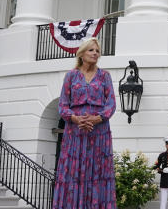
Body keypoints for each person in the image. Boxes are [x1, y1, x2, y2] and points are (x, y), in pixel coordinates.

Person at [53, 37, 116, 209]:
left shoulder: (105, 76)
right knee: (73, 172)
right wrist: (76, 119)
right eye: (91, 50)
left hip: (99, 132)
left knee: (98, 172)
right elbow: (63, 105)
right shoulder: (71, 76)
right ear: (82, 54)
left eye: (97, 51)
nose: (95, 53)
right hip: (75, 133)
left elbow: (111, 104)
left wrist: (97, 119)